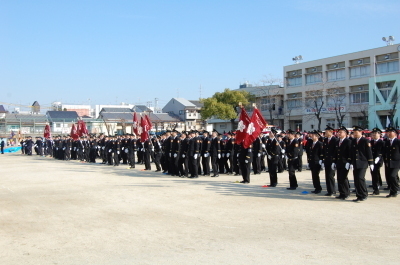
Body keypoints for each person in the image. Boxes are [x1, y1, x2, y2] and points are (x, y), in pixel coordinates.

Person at [349, 126, 373, 202]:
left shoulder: (365, 141)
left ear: (360, 132)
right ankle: (359, 195)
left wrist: (371, 162)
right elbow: (352, 153)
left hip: (363, 162)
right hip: (355, 163)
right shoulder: (353, 141)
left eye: (356, 132)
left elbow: (369, 152)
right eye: (354, 132)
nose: (355, 134)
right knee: (356, 179)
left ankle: (364, 194)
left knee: (360, 178)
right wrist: (351, 162)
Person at [331, 126, 351, 200]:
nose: (339, 133)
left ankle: (346, 193)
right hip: (338, 162)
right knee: (339, 178)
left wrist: (349, 162)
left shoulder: (348, 141)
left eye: (341, 132)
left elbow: (350, 153)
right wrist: (334, 161)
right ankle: (341, 193)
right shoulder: (337, 141)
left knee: (343, 178)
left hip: (345, 163)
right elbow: (335, 153)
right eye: (338, 132)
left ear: (345, 133)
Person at [383, 127, 400, 198]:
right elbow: (385, 152)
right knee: (390, 177)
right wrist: (386, 161)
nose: (388, 133)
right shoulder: (387, 142)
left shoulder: (398, 142)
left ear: (395, 133)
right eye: (388, 132)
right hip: (389, 162)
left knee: (393, 176)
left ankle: (396, 189)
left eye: (390, 132)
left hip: (397, 162)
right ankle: (392, 192)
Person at [322, 126, 338, 196]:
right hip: (327, 160)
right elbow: (324, 151)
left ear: (331, 132)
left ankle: (333, 190)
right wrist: (322, 160)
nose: (325, 133)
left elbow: (336, 151)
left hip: (332, 160)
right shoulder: (325, 140)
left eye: (326, 131)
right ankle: (329, 190)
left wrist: (334, 161)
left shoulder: (335, 140)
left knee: (331, 176)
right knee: (327, 176)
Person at [370, 127, 384, 195]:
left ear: (379, 134)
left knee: (375, 172)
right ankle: (378, 183)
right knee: (374, 173)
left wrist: (379, 157)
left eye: (376, 133)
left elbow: (383, 151)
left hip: (378, 160)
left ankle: (376, 188)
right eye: (373, 133)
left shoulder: (382, 142)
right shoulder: (371, 142)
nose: (374, 135)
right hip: (371, 160)